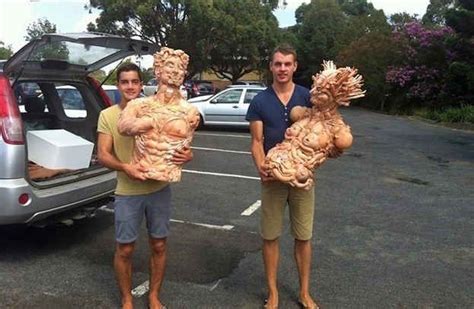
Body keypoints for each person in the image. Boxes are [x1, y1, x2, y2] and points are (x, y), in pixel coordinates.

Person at [97, 62, 192, 309]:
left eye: (134, 82)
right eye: (124, 82)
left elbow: (180, 143)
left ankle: (153, 295)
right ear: (118, 85)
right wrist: (126, 167)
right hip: (128, 191)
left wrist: (187, 155)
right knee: (125, 248)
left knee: (159, 244)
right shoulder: (108, 115)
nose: (130, 86)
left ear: (142, 84)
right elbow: (103, 155)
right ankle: (127, 298)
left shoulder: (161, 109)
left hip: (159, 188)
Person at [246, 44, 318, 309]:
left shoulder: (309, 97)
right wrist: (261, 166)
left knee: (303, 236)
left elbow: (320, 136)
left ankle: (304, 292)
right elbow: (256, 141)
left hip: (302, 178)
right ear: (271, 67)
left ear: (295, 66)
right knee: (270, 236)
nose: (282, 69)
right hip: (274, 179)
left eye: (287, 64)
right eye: (278, 64)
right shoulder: (260, 100)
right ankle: (273, 291)